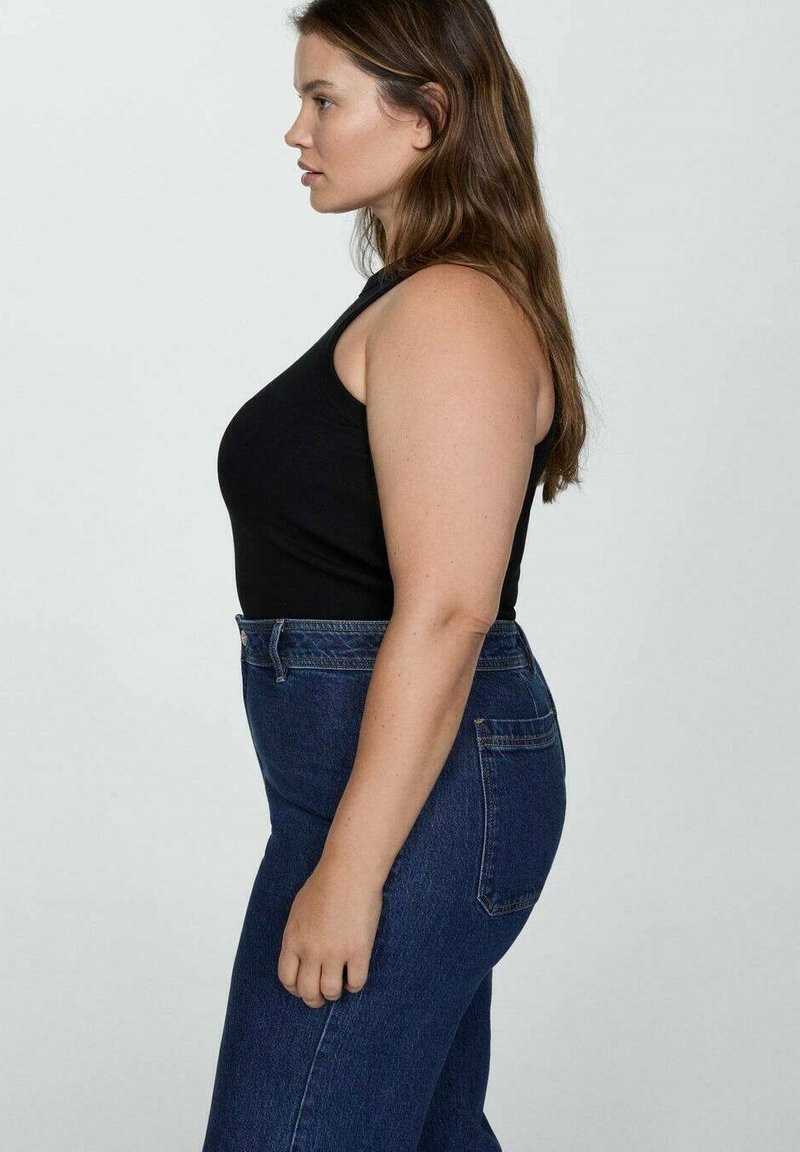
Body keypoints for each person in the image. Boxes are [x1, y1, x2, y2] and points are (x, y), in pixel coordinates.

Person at [202, 2, 587, 1149]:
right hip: (380, 778)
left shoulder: (452, 307)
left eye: (322, 99)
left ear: (426, 114)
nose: (297, 131)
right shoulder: (418, 297)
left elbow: (452, 609)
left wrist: (351, 868)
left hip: (419, 791)